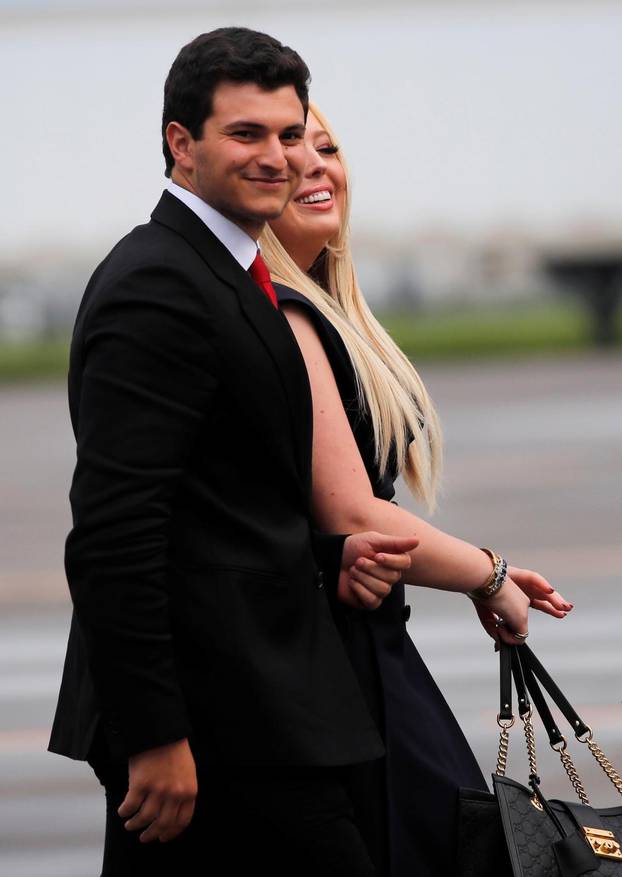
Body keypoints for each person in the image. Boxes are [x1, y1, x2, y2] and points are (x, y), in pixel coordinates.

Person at [47, 31, 421, 877]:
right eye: (245, 134)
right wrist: (155, 735)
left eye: (290, 134)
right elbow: (114, 533)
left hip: (268, 710)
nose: (279, 156)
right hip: (219, 728)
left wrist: (334, 554)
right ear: (182, 143)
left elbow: (220, 507)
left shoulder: (233, 274)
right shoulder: (160, 284)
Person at [260, 105, 575, 876]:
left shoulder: (329, 310)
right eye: (287, 148)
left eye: (327, 147)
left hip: (367, 644)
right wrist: (488, 575)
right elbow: (353, 509)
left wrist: (479, 569)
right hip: (337, 661)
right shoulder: (289, 314)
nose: (313, 165)